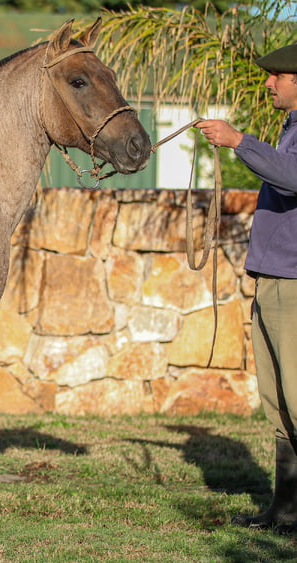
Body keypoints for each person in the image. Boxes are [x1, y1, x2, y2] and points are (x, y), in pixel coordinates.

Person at [197, 43, 297, 535]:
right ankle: (287, 510)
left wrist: (239, 140)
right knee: (279, 402)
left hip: (295, 286)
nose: (268, 83)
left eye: (276, 76)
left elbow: (295, 176)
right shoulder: (290, 128)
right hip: (276, 281)